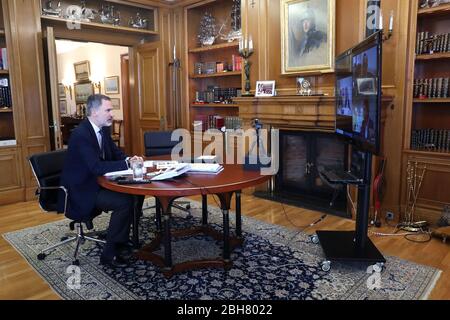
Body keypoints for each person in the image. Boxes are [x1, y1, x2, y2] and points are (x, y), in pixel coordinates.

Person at [58, 94, 143, 268]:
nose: (112, 114)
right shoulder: (81, 135)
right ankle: (109, 254)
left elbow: (115, 153)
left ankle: (123, 241)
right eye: (108, 110)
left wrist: (129, 159)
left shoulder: (102, 129)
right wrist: (126, 164)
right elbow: (96, 167)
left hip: (96, 182)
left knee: (136, 193)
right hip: (81, 190)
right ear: (95, 112)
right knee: (124, 201)